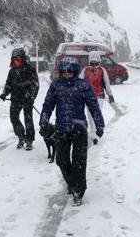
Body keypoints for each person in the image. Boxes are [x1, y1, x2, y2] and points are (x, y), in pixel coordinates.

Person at [39, 60, 105, 206]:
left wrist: (99, 124)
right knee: (61, 159)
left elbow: (93, 106)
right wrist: (43, 121)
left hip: (79, 129)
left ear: (74, 72)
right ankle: (72, 183)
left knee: (79, 162)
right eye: (64, 72)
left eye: (70, 72)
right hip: (61, 129)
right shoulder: (56, 85)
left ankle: (78, 191)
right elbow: (48, 104)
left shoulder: (83, 86)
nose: (67, 75)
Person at [0, 48, 40, 150]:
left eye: (18, 59)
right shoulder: (12, 72)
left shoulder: (30, 70)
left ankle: (29, 140)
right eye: (14, 60)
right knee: (14, 118)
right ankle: (21, 137)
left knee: (28, 119)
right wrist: (4, 93)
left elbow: (35, 85)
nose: (16, 62)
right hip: (15, 99)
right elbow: (8, 84)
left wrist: (31, 97)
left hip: (27, 100)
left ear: (22, 59)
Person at [80, 51, 115, 145]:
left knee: (97, 113)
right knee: (90, 116)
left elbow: (107, 84)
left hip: (99, 96)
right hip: (87, 97)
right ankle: (93, 134)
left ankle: (97, 131)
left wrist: (110, 95)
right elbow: (79, 83)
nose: (94, 65)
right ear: (89, 61)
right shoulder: (85, 70)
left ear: (99, 61)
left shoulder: (102, 70)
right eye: (92, 63)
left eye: (96, 63)